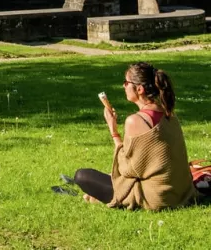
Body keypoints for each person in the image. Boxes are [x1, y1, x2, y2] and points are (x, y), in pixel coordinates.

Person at [66, 62, 197, 210]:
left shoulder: (135, 121)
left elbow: (127, 169)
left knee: (82, 176)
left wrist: (113, 130)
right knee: (106, 177)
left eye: (126, 82)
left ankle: (100, 197)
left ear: (139, 89)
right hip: (181, 191)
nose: (124, 86)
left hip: (158, 196)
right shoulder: (169, 114)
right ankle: (97, 195)